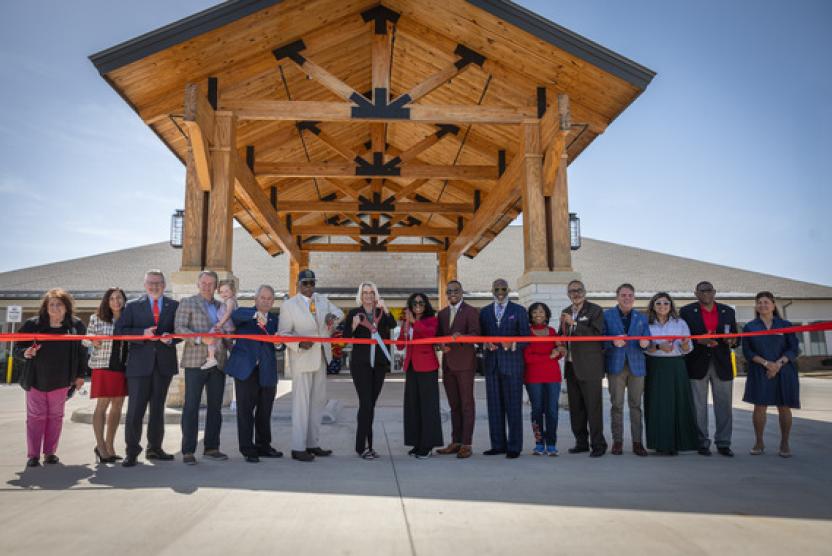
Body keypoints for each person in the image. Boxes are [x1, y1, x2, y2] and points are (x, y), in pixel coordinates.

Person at [278, 269, 344, 462]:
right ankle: (298, 447)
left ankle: (312, 443)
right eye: (305, 283)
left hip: (322, 356)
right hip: (302, 358)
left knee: (317, 403)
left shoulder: (322, 300)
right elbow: (283, 333)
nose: (309, 287)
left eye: (312, 283)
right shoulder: (289, 305)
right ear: (298, 285)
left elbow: (339, 313)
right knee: (301, 405)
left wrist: (332, 319)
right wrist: (299, 343)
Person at [115, 270, 179, 467]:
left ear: (164, 285)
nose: (154, 286)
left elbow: (180, 331)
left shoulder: (174, 305)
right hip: (139, 366)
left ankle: (155, 448)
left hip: (164, 365)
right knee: (135, 410)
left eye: (158, 282)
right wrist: (141, 333)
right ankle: (132, 452)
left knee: (158, 410)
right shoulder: (133, 306)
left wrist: (172, 338)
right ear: (145, 285)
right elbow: (120, 331)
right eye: (151, 283)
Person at [17, 289, 88, 467]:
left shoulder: (76, 326)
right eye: (52, 304)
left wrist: (80, 375)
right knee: (35, 417)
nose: (55, 308)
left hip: (62, 379)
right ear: (46, 307)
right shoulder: (33, 324)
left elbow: (82, 352)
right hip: (36, 379)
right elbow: (18, 347)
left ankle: (50, 453)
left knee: (55, 417)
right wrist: (26, 352)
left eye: (59, 304)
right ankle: (33, 455)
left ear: (66, 307)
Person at [174, 271, 230, 465]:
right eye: (203, 283)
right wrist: (200, 338)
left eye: (211, 283)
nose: (207, 286)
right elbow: (179, 328)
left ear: (216, 286)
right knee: (191, 406)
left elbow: (228, 331)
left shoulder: (222, 306)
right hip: (195, 362)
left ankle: (212, 448)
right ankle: (188, 451)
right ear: (198, 284)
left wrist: (227, 337)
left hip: (218, 362)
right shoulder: (188, 302)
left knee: (215, 407)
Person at [680, 281, 739, 457]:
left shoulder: (728, 311)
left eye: (709, 290)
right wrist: (699, 340)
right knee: (698, 407)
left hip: (722, 364)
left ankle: (724, 443)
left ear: (714, 292)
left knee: (724, 406)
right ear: (696, 293)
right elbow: (683, 337)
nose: (706, 293)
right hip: (697, 363)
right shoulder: (686, 311)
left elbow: (736, 337)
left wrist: (732, 340)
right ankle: (701, 442)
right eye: (702, 291)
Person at [225, 285, 283, 463]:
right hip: (246, 370)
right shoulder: (245, 313)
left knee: (265, 411)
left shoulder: (275, 320)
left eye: (269, 299)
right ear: (255, 299)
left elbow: (281, 344)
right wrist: (255, 315)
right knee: (245, 411)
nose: (266, 301)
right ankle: (247, 449)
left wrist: (279, 344)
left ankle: (263, 446)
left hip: (267, 371)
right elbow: (234, 316)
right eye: (262, 298)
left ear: (273, 302)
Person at [742, 291, 800, 458]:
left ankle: (784, 443)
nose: (762, 305)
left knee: (784, 407)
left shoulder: (785, 325)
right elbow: (747, 351)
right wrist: (767, 364)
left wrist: (778, 364)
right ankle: (759, 442)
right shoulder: (750, 327)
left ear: (773, 305)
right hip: (760, 370)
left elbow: (793, 348)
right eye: (759, 302)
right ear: (756, 306)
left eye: (766, 302)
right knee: (760, 406)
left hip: (784, 370)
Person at [343, 281, 396, 459]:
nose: (368, 295)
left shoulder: (380, 312)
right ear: (360, 295)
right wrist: (353, 326)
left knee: (370, 405)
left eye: (371, 292)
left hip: (379, 365)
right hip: (361, 364)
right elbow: (346, 337)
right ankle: (362, 447)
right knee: (366, 404)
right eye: (365, 292)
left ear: (375, 295)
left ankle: (369, 446)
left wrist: (385, 308)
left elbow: (392, 325)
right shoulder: (354, 313)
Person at [479, 278, 530, 459]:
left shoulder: (519, 311)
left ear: (508, 290)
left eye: (503, 289)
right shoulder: (484, 312)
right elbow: (480, 337)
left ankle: (514, 447)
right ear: (492, 291)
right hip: (492, 365)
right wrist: (486, 344)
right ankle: (498, 445)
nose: (500, 292)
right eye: (497, 289)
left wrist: (513, 343)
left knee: (514, 407)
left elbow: (526, 338)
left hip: (513, 366)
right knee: (494, 408)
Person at [643, 293, 698, 455]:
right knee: (657, 404)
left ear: (671, 305)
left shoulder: (680, 323)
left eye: (666, 303)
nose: (662, 306)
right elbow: (643, 347)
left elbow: (688, 349)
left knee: (678, 403)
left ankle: (678, 443)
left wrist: (685, 344)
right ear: (653, 306)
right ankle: (660, 443)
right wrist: (659, 347)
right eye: (658, 303)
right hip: (655, 366)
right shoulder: (646, 323)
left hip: (676, 366)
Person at [560, 280, 607, 457]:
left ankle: (598, 445)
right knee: (576, 409)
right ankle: (581, 443)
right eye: (572, 291)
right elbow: (562, 334)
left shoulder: (595, 310)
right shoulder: (565, 311)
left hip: (590, 368)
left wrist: (574, 324)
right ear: (568, 294)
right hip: (571, 366)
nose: (576, 293)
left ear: (585, 292)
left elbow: (596, 334)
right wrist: (560, 345)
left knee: (593, 408)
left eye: (579, 290)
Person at [603, 283, 652, 456]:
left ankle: (637, 442)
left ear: (634, 297)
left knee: (636, 405)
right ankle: (617, 442)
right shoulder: (607, 315)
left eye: (630, 295)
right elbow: (600, 339)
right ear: (617, 297)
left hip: (637, 366)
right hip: (615, 365)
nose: (627, 298)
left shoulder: (642, 317)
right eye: (623, 295)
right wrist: (612, 341)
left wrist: (646, 343)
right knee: (616, 405)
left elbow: (648, 339)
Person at [436, 280, 481, 459]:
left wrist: (462, 337)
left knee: (467, 404)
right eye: (449, 291)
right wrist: (440, 345)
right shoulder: (442, 314)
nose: (452, 293)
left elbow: (476, 334)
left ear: (462, 292)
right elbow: (438, 338)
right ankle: (456, 442)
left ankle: (466, 444)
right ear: (446, 294)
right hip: (448, 365)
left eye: (456, 290)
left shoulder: (471, 311)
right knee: (454, 405)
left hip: (465, 364)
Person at [84, 287, 129, 464]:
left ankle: (110, 446)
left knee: (118, 405)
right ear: (106, 301)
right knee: (102, 405)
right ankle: (100, 446)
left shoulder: (128, 317)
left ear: (124, 300)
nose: (116, 301)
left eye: (119, 298)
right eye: (112, 298)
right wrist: (93, 340)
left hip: (123, 366)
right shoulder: (97, 318)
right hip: (103, 365)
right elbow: (85, 339)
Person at [397, 292, 443, 459]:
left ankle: (428, 444)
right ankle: (416, 442)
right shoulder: (406, 322)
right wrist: (404, 330)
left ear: (426, 304)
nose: (418, 305)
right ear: (410, 305)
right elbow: (400, 346)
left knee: (428, 407)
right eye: (414, 303)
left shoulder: (432, 320)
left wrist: (414, 322)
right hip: (411, 367)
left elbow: (430, 335)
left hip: (427, 367)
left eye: (421, 303)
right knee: (413, 406)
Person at [523, 302, 563, 456]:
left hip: (553, 376)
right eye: (534, 312)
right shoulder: (526, 332)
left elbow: (559, 352)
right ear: (530, 315)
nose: (538, 314)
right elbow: (528, 358)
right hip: (533, 377)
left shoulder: (552, 331)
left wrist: (559, 351)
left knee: (552, 410)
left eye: (541, 311)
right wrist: (549, 356)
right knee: (537, 410)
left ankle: (551, 444)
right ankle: (539, 443)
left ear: (546, 314)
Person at [203, 279, 238, 370]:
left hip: (228, 328)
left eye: (226, 291)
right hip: (224, 328)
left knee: (231, 348)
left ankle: (212, 358)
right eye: (221, 292)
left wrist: (220, 323)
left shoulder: (230, 300)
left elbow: (228, 313)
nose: (224, 294)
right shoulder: (224, 302)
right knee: (215, 338)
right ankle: (212, 358)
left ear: (232, 291)